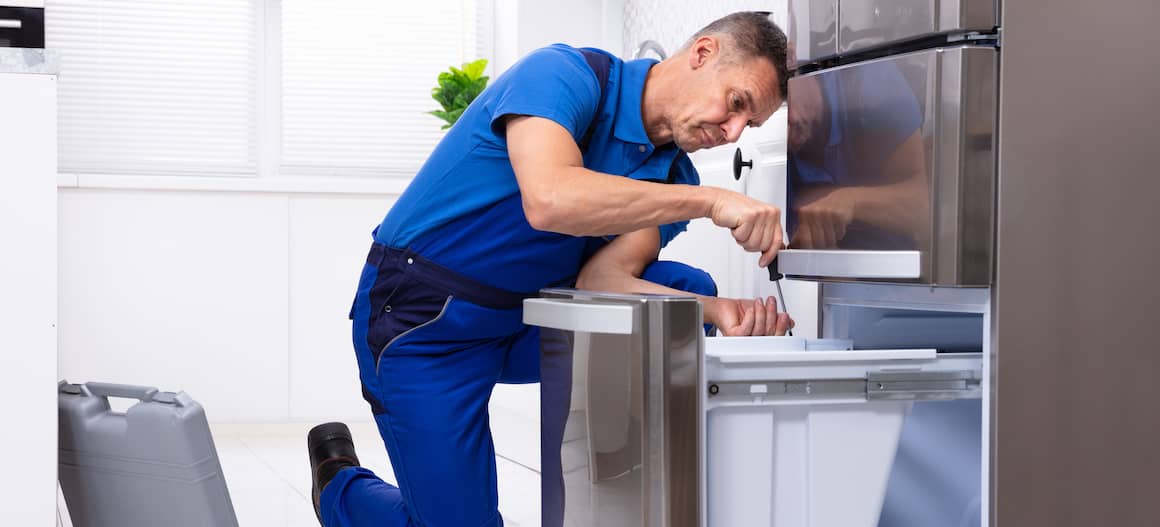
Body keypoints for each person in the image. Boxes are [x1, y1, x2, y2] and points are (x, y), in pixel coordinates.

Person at [307, 11, 793, 527]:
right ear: (702, 54)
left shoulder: (673, 173)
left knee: (681, 298)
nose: (733, 131)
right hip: (424, 322)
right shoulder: (565, 75)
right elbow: (551, 198)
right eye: (736, 104)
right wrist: (710, 200)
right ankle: (339, 486)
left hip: (526, 318)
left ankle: (619, 498)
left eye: (750, 125)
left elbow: (602, 282)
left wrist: (720, 310)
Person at [786, 56, 929, 249]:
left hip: (892, 268)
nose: (785, 132)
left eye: (783, 101)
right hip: (824, 273)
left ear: (791, 59)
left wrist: (849, 201)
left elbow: (925, 208)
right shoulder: (766, 147)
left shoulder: (872, 84)